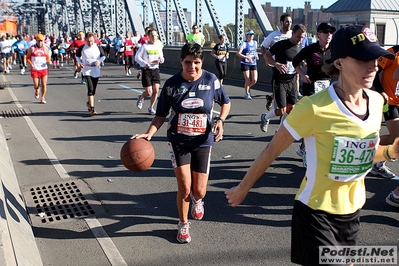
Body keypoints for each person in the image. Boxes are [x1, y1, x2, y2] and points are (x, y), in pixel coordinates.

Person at [225, 25, 396, 266]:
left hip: (354, 209)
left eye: (376, 58)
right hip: (316, 211)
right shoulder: (313, 107)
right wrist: (243, 187)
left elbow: (364, 155)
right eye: (363, 59)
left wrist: (390, 152)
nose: (373, 66)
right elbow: (272, 150)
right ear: (339, 63)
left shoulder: (377, 101)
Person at [132, 43, 231, 243]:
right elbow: (160, 115)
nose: (192, 67)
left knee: (199, 190)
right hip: (178, 141)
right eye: (187, 62)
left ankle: (198, 199)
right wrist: (149, 134)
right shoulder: (171, 84)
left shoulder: (211, 80)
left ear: (202, 62)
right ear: (181, 62)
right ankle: (183, 224)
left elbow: (226, 102)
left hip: (203, 142)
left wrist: (220, 120)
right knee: (185, 187)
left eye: (196, 62)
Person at [291, 22, 336, 167]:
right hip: (310, 86)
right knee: (312, 119)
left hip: (326, 87)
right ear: (318, 35)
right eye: (325, 32)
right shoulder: (310, 49)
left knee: (324, 120)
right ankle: (305, 150)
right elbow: (295, 61)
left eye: (331, 32)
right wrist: (302, 75)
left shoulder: (334, 50)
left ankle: (305, 147)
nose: (328, 35)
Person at [260, 24, 307, 132]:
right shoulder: (281, 45)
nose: (300, 39)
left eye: (302, 37)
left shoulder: (300, 46)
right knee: (281, 110)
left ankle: (280, 129)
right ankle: (265, 117)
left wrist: (303, 63)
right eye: (298, 36)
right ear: (293, 33)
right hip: (279, 80)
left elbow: (297, 60)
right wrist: (276, 63)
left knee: (291, 109)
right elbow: (267, 55)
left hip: (292, 80)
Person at [261, 13, 293, 110]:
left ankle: (271, 98)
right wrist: (266, 58)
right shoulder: (273, 35)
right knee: (279, 90)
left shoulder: (293, 35)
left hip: (290, 67)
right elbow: (263, 47)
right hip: (276, 66)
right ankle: (279, 110)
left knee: (287, 91)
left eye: (290, 22)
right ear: (281, 23)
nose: (289, 24)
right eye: (287, 21)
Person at [75, 32, 106, 116]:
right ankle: (92, 108)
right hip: (86, 71)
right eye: (88, 41)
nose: (90, 43)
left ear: (94, 40)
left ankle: (89, 103)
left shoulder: (98, 47)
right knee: (90, 89)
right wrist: (80, 63)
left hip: (95, 70)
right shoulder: (82, 48)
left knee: (94, 90)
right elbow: (77, 56)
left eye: (91, 41)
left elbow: (103, 56)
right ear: (85, 40)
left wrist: (99, 61)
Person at [135, 28, 165, 115]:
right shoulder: (144, 46)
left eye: (156, 35)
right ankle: (141, 97)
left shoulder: (158, 46)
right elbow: (137, 57)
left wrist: (161, 60)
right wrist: (144, 63)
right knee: (149, 92)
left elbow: (162, 58)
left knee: (156, 91)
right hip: (146, 70)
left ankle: (151, 108)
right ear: (148, 36)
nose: (154, 37)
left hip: (155, 70)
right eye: (152, 35)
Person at [386, 65, 399, 207]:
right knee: (395, 136)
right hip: (389, 101)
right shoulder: (393, 52)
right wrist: (382, 93)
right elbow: (396, 75)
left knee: (394, 137)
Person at [26, 33, 51, 104]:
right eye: (38, 41)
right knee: (36, 85)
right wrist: (31, 64)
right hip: (35, 69)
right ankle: (37, 90)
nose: (40, 42)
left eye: (41, 41)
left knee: (44, 84)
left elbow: (48, 57)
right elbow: (27, 57)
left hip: (43, 69)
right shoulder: (32, 48)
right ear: (36, 40)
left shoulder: (45, 48)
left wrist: (49, 61)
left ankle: (42, 97)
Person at [236, 30, 259, 100]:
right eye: (250, 34)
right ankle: (246, 93)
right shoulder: (244, 44)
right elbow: (238, 53)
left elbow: (255, 52)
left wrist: (257, 56)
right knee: (248, 79)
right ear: (247, 35)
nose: (251, 36)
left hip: (253, 63)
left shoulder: (255, 43)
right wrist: (246, 57)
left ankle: (248, 87)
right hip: (245, 63)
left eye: (252, 34)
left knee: (255, 80)